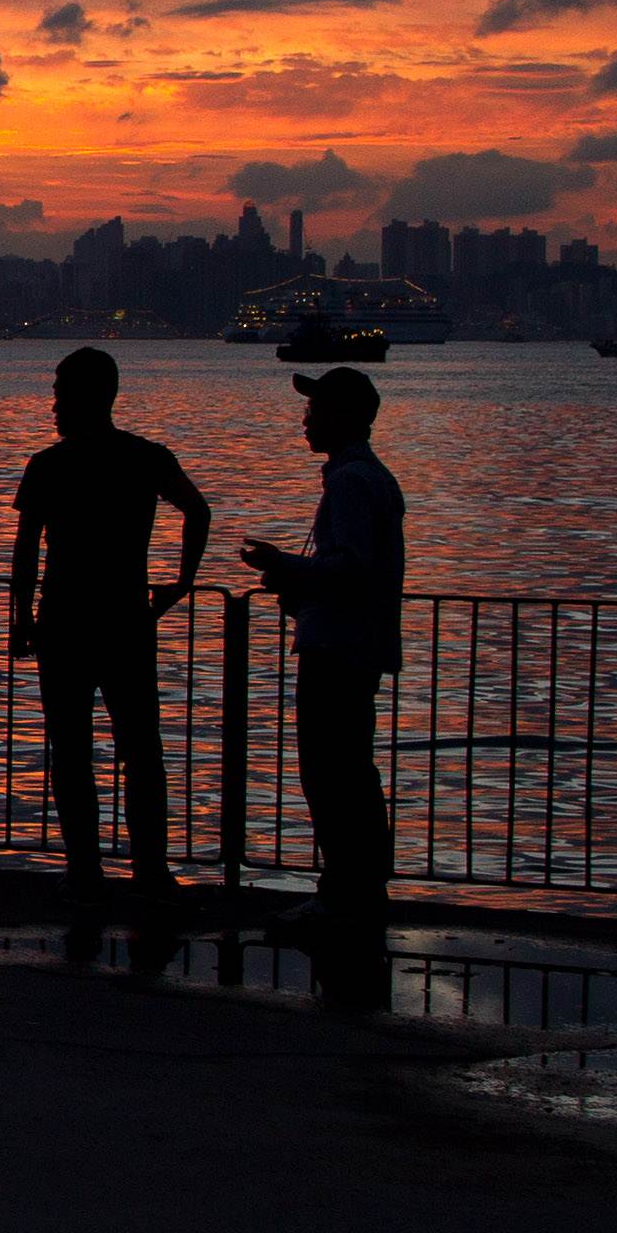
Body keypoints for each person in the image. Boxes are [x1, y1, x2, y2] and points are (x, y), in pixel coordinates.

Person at [10, 348, 213, 905]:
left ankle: (85, 869)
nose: (52, 404)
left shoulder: (48, 465)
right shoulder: (146, 458)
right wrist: (182, 581)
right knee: (141, 751)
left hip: (65, 622)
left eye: (59, 393)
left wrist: (20, 619)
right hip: (127, 620)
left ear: (86, 396)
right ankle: (151, 868)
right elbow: (197, 510)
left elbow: (26, 552)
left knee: (71, 751)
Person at [244, 368, 406, 929]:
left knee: (330, 771)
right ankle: (361, 886)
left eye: (314, 409)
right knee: (351, 769)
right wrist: (298, 582)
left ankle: (342, 891)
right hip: (355, 641)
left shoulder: (350, 481)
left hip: (338, 645)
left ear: (342, 416)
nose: (305, 418)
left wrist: (284, 567)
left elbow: (352, 567)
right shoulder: (368, 477)